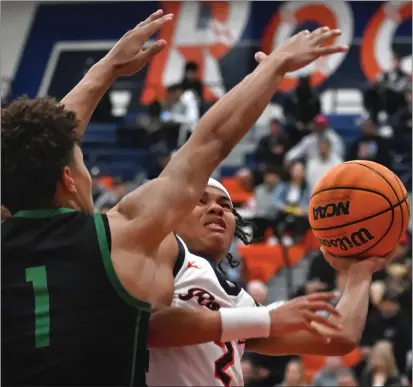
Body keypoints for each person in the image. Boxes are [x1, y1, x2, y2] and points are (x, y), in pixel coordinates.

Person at [2, 20, 353, 385]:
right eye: (80, 163)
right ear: (67, 179)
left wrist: (102, 73)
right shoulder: (120, 236)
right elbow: (211, 140)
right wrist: (275, 65)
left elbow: (39, 148)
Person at [147, 178, 395, 386]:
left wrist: (361, 273)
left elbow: (337, 339)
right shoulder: (159, 248)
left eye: (226, 205)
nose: (216, 208)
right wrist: (266, 320)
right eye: (200, 201)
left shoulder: (239, 300)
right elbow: (148, 327)